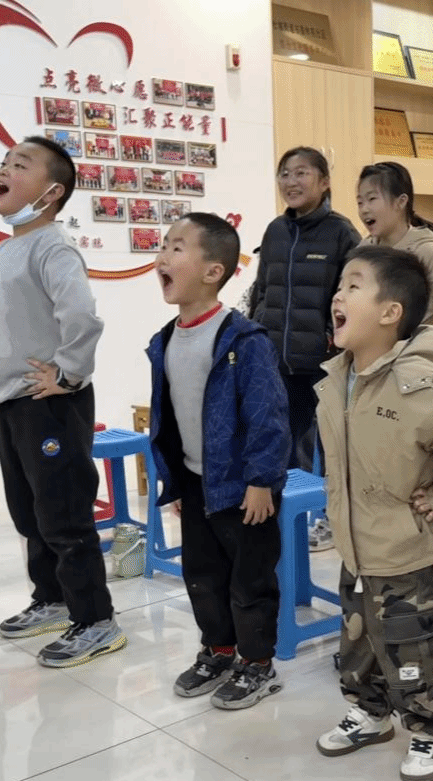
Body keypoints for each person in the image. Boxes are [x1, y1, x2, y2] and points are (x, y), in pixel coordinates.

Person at [314, 245, 433, 781]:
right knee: (360, 638)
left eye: (353, 286)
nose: (338, 295)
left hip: (411, 547)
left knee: (413, 643)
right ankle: (369, 712)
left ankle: (431, 728)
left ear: (391, 312)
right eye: (339, 285)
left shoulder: (421, 383)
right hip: (358, 544)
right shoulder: (338, 377)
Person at [0, 135, 123, 667]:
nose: (4, 169)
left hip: (48, 401)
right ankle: (53, 599)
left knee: (63, 514)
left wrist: (68, 371)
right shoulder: (5, 248)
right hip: (12, 401)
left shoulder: (52, 246)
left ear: (52, 191)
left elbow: (81, 313)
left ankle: (96, 619)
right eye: (4, 162)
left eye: (21, 164)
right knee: (30, 512)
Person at [149, 213, 291, 710]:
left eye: (178, 247)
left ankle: (258, 663)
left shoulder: (243, 340)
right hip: (196, 484)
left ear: (213, 271)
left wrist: (262, 480)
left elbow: (268, 416)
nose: (163, 256)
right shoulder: (165, 339)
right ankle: (219, 650)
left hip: (245, 488)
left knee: (249, 580)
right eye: (164, 245)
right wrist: (176, 481)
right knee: (202, 574)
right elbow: (171, 418)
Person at [251, 146, 360, 552]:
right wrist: (257, 334)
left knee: (331, 445)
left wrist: (335, 339)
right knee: (281, 443)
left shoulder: (341, 233)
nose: (291, 182)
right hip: (278, 361)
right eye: (285, 174)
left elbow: (354, 296)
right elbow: (262, 290)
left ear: (324, 181)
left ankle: (331, 519)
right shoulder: (275, 231)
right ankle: (287, 517)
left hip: (323, 363)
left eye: (301, 173)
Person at [356, 162, 433, 340]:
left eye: (372, 199)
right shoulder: (362, 250)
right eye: (360, 202)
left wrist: (431, 341)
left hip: (408, 355)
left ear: (401, 202)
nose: (364, 209)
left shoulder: (427, 251)